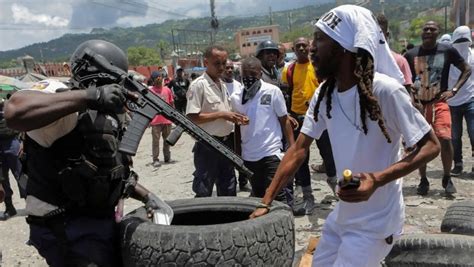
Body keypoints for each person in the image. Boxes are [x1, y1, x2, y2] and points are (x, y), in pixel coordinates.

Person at [250, 5, 440, 266]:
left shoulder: (385, 91)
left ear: (345, 46)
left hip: (376, 225)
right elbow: (298, 149)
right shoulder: (324, 93)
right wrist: (266, 201)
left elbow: (430, 146)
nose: (312, 48)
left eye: (320, 39)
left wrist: (377, 179)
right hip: (342, 217)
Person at [4, 40, 170, 266]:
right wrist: (92, 96)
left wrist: (148, 196)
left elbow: (109, 170)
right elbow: (15, 111)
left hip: (97, 222)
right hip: (65, 225)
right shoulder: (61, 95)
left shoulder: (108, 115)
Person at [404, 21, 471, 195]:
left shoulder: (447, 50)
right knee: (422, 143)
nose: (428, 31)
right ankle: (423, 179)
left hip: (439, 102)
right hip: (419, 105)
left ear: (438, 32)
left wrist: (453, 90)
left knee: (445, 138)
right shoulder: (411, 54)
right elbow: (404, 79)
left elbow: (466, 69)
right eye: (425, 29)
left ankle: (447, 176)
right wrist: (410, 96)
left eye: (432, 29)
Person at [281, 37, 336, 214]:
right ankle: (307, 195)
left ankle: (337, 189)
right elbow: (287, 93)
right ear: (294, 50)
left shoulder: (319, 66)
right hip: (298, 119)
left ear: (310, 47)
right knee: (301, 159)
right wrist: (288, 115)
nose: (302, 48)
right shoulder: (288, 70)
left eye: (305, 45)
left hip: (321, 118)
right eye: (298, 46)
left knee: (329, 154)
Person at [230, 57, 295, 205]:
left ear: (260, 74)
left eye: (252, 74)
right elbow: (238, 127)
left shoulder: (272, 91)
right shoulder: (236, 97)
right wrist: (237, 153)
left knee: (278, 196)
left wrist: (292, 146)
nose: (248, 79)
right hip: (249, 156)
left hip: (271, 153)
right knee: (259, 197)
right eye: (244, 75)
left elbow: (284, 120)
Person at [186, 45, 248, 197]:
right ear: (206, 63)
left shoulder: (222, 85)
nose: (221, 67)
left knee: (228, 187)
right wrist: (222, 115)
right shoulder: (199, 85)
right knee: (204, 190)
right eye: (217, 63)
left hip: (226, 144)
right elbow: (192, 118)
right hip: (208, 145)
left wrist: (235, 117)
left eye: (223, 63)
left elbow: (225, 112)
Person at [447, 25, 474, 176]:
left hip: (471, 98)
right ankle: (458, 164)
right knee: (455, 136)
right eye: (460, 40)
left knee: (473, 132)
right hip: (452, 102)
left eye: (465, 39)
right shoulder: (447, 56)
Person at [222, 59, 251, 192]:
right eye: (227, 68)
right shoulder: (220, 85)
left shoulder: (239, 85)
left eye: (231, 68)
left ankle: (243, 181)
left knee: (241, 154)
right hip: (226, 128)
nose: (229, 71)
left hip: (238, 127)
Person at [0, 100, 24, 221]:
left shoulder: (10, 106)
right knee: (2, 178)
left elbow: (24, 123)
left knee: (20, 174)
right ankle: (10, 208)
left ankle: (31, 204)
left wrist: (23, 143)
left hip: (12, 143)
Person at [149, 72, 174, 167]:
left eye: (160, 77)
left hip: (167, 120)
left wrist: (173, 116)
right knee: (156, 142)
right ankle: (155, 159)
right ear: (153, 80)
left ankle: (167, 157)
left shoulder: (167, 90)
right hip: (155, 121)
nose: (159, 79)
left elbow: (171, 103)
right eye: (157, 77)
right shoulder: (150, 91)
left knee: (167, 140)